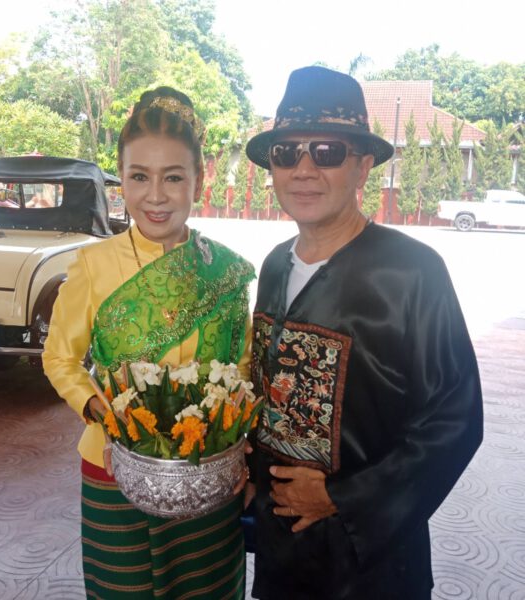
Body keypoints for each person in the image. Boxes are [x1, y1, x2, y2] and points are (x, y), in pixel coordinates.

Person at [244, 66, 484, 599]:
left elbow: (454, 419)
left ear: (363, 166)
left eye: (327, 152)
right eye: (286, 153)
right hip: (284, 551)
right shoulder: (275, 266)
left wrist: (342, 496)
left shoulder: (412, 272)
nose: (304, 169)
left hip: (371, 560)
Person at [42, 86, 254, 599]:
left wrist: (234, 439)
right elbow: (60, 358)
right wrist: (107, 415)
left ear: (199, 180)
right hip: (113, 465)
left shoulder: (224, 271)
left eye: (173, 177)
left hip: (207, 467)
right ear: (122, 180)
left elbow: (243, 365)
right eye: (139, 177)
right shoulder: (93, 266)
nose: (155, 196)